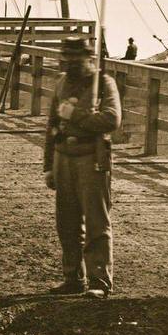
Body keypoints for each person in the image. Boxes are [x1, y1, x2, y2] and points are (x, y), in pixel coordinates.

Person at [43, 36, 121, 298]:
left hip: (91, 158)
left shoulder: (103, 84)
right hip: (63, 156)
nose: (73, 63)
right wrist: (48, 165)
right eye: (68, 58)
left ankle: (99, 282)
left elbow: (111, 119)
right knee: (67, 222)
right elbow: (52, 125)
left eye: (78, 58)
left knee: (97, 222)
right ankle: (73, 278)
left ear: (89, 58)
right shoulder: (62, 82)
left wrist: (75, 115)